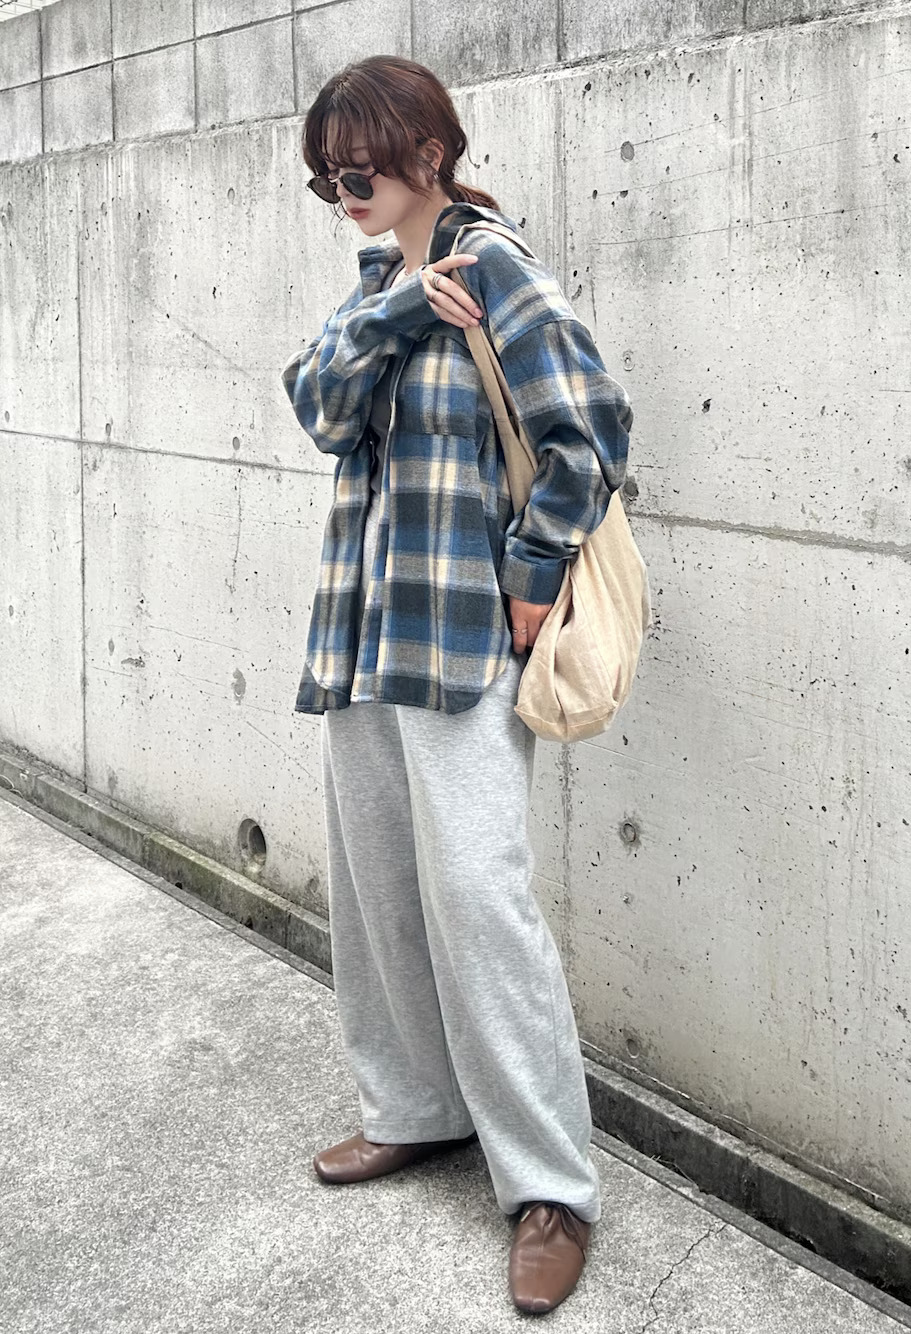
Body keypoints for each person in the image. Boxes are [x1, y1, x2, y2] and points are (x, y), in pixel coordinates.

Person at [281, 54, 632, 1315]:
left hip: (465, 641)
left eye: (358, 170)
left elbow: (590, 431)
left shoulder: (498, 267)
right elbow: (318, 408)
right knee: (379, 891)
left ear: (426, 153)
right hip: (365, 636)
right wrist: (391, 315)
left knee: (482, 903)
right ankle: (417, 1107)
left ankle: (551, 1186)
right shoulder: (379, 283)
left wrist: (533, 576)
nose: (344, 192)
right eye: (327, 179)